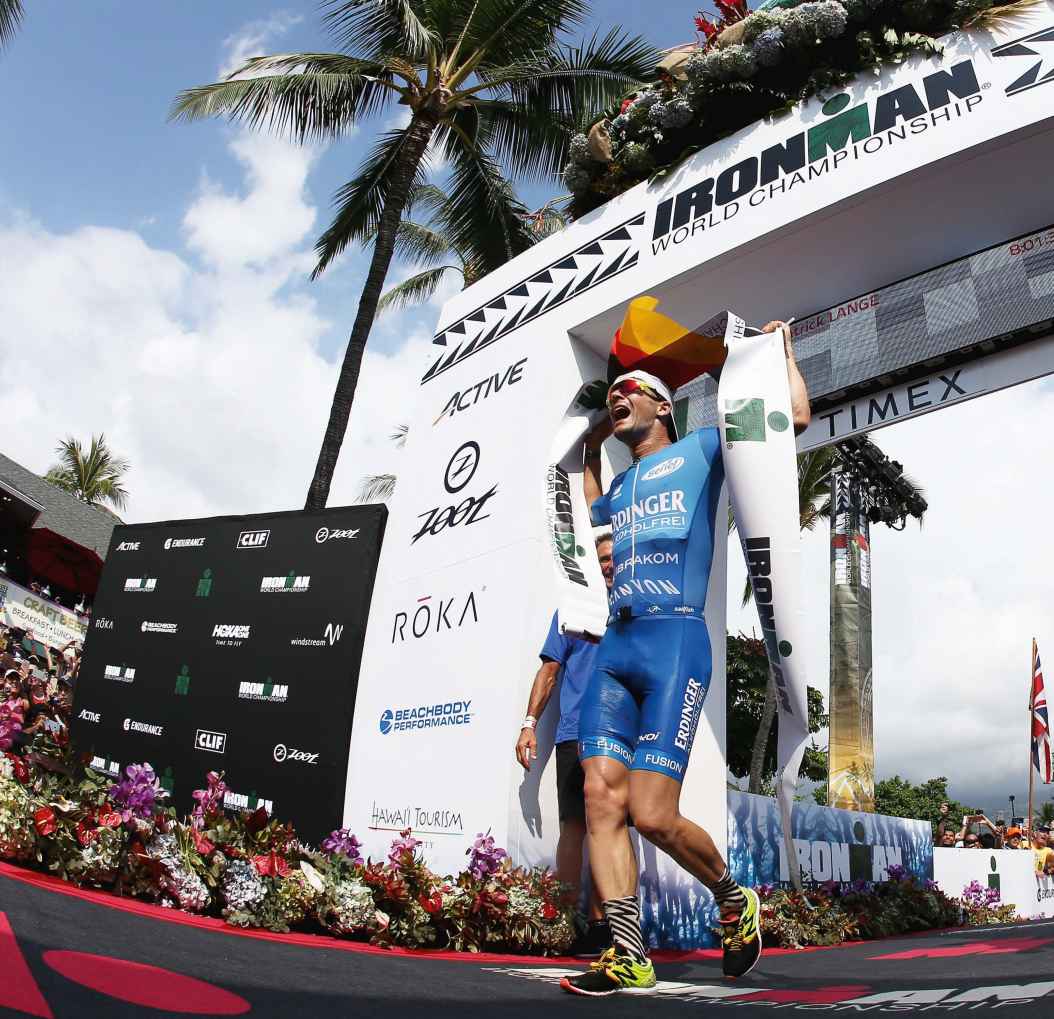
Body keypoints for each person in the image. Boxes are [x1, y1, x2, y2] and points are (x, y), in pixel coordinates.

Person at [560, 321, 810, 996]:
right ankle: (627, 951)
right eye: (610, 394)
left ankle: (733, 899)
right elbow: (588, 516)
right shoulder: (622, 483)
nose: (617, 398)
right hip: (616, 644)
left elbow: (793, 419)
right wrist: (585, 452)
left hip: (675, 641)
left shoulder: (703, 447)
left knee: (652, 814)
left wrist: (779, 355)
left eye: (629, 390)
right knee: (598, 798)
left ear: (663, 405)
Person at [517, 532, 615, 957]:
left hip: (619, 738)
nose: (609, 565)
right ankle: (564, 921)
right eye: (602, 559)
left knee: (608, 830)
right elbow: (549, 670)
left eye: (615, 557)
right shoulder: (571, 611)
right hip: (574, 734)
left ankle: (602, 926)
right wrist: (528, 724)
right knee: (574, 828)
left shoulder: (636, 613)